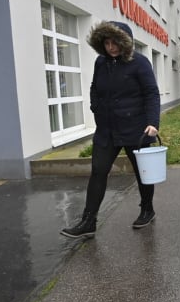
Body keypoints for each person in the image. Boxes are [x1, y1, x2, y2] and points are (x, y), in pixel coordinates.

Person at [61, 21, 161, 238]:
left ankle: (147, 209)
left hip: (136, 129)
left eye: (115, 42)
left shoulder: (140, 63)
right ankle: (88, 221)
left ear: (124, 42)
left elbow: (151, 93)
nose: (111, 47)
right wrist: (95, 107)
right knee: (98, 171)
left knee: (142, 172)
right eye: (106, 43)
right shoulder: (101, 62)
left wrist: (153, 122)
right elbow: (94, 88)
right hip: (107, 129)